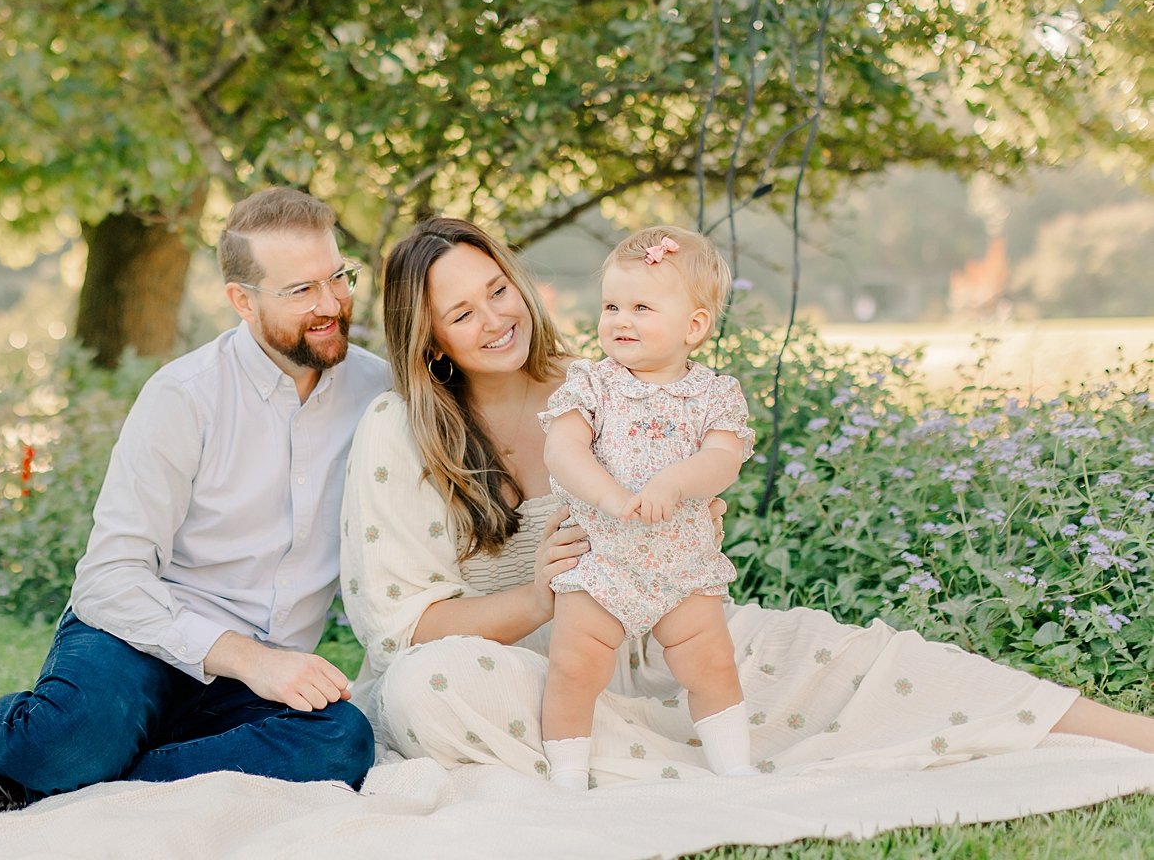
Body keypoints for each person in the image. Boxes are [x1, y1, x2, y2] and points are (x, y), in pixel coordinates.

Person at [339, 215, 1154, 788]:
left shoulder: (601, 383)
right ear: (428, 335)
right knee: (427, 692)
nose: (494, 318)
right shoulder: (401, 429)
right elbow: (404, 629)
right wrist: (537, 596)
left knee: (834, 654)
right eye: (461, 311)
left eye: (498, 290)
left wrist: (687, 503)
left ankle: (1128, 735)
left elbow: (699, 464)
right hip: (517, 673)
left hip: (657, 632)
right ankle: (633, 758)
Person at [0, 187, 391, 814]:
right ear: (241, 300)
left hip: (256, 682)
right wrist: (248, 658)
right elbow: (108, 580)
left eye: (338, 278)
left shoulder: (379, 390)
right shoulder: (185, 397)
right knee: (80, 732)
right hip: (138, 641)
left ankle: (43, 772)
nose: (331, 304)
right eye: (301, 291)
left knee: (340, 744)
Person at [539, 226, 754, 788]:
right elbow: (562, 449)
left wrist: (679, 480)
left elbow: (724, 458)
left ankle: (736, 768)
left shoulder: (713, 394)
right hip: (602, 561)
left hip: (681, 565)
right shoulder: (594, 384)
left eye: (641, 307)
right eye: (612, 306)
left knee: (710, 663)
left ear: (695, 326)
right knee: (574, 664)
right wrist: (608, 495)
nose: (621, 320)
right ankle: (566, 777)